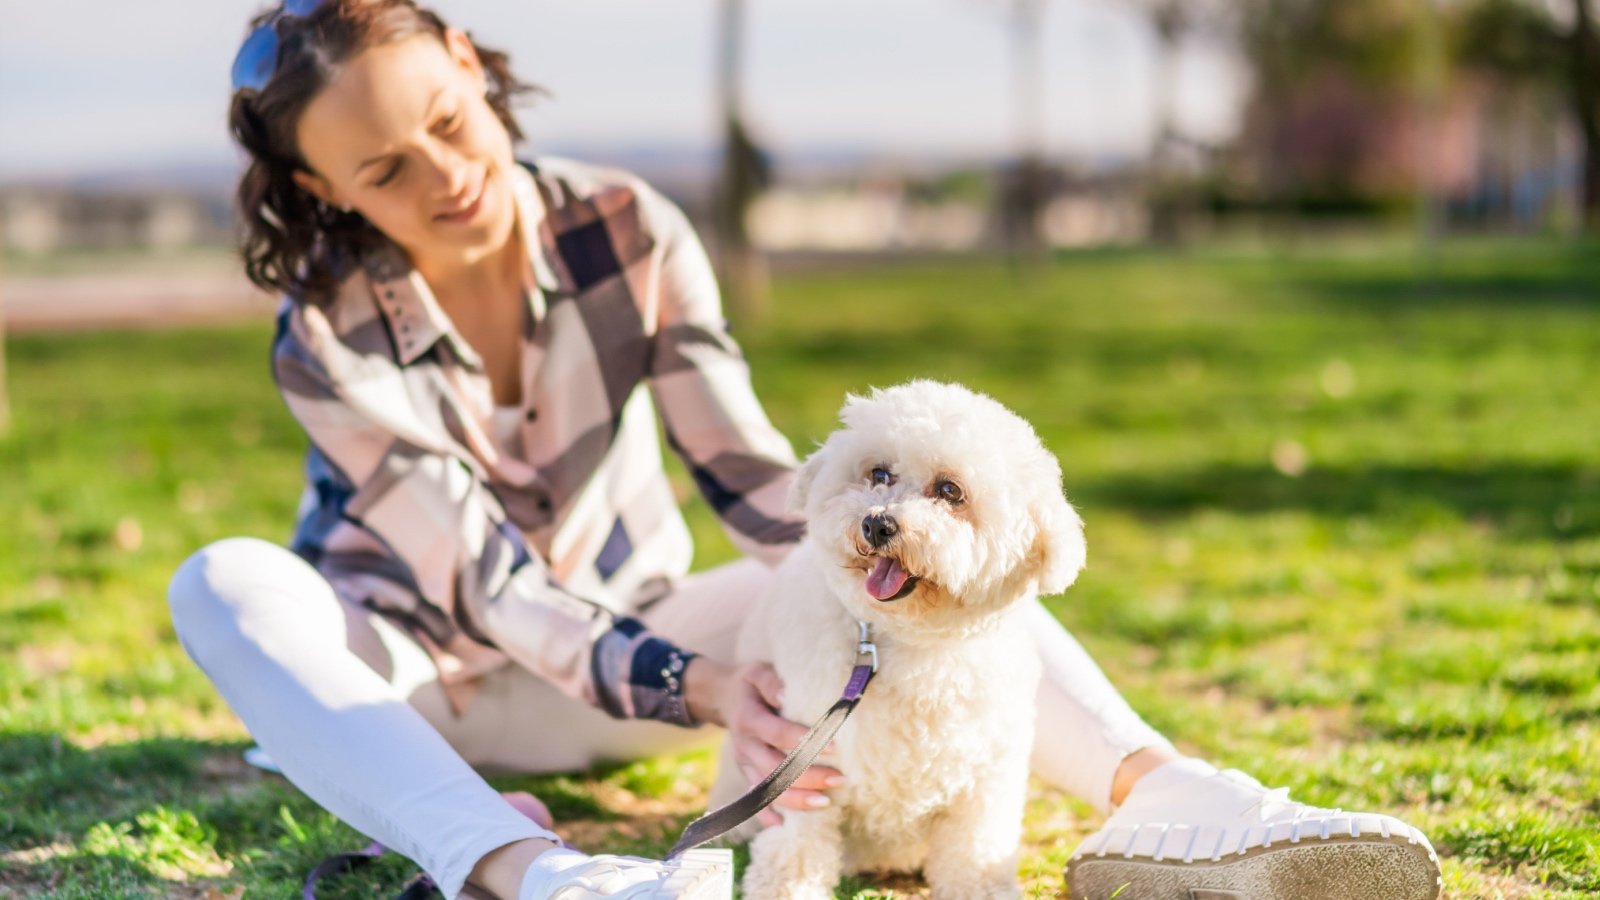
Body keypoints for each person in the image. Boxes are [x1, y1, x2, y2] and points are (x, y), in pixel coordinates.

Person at [168, 2, 1444, 898]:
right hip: (418, 697)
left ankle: (1177, 798)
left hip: (646, 654)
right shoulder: (322, 338)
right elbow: (488, 585)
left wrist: (863, 555)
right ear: (328, 191)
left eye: (451, 119)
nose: (447, 175)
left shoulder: (627, 225)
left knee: (925, 585)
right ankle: (547, 877)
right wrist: (707, 685)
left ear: (465, 58)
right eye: (385, 170)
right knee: (222, 581)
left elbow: (758, 484)